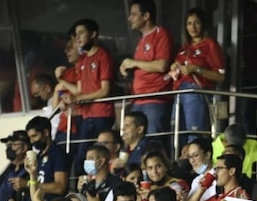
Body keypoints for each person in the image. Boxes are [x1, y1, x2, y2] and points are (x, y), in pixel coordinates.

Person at [170, 7, 225, 147]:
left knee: (194, 135)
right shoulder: (185, 47)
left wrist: (196, 69)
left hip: (196, 93)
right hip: (178, 92)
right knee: (176, 134)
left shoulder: (210, 44)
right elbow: (176, 64)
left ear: (203, 24)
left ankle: (196, 167)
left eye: (196, 23)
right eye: (189, 23)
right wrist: (174, 67)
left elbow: (220, 76)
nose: (192, 27)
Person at [68, 19, 115, 176]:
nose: (78, 38)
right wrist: (70, 99)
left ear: (93, 34)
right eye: (76, 35)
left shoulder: (103, 55)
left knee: (100, 156)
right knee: (82, 158)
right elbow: (80, 91)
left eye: (81, 33)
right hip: (86, 116)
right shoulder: (81, 60)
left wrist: (81, 98)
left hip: (101, 114)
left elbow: (105, 90)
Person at [120, 0, 173, 137]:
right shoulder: (141, 39)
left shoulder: (161, 34)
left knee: (153, 144)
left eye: (133, 14)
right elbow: (141, 66)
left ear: (146, 16)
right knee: (136, 144)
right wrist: (128, 69)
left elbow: (162, 65)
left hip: (154, 100)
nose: (129, 18)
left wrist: (134, 63)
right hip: (138, 99)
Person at [25, 116, 69, 200]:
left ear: (46, 132)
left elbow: (60, 187)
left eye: (34, 136)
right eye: (30, 137)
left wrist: (27, 184)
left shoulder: (58, 154)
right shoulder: (38, 156)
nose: (32, 141)